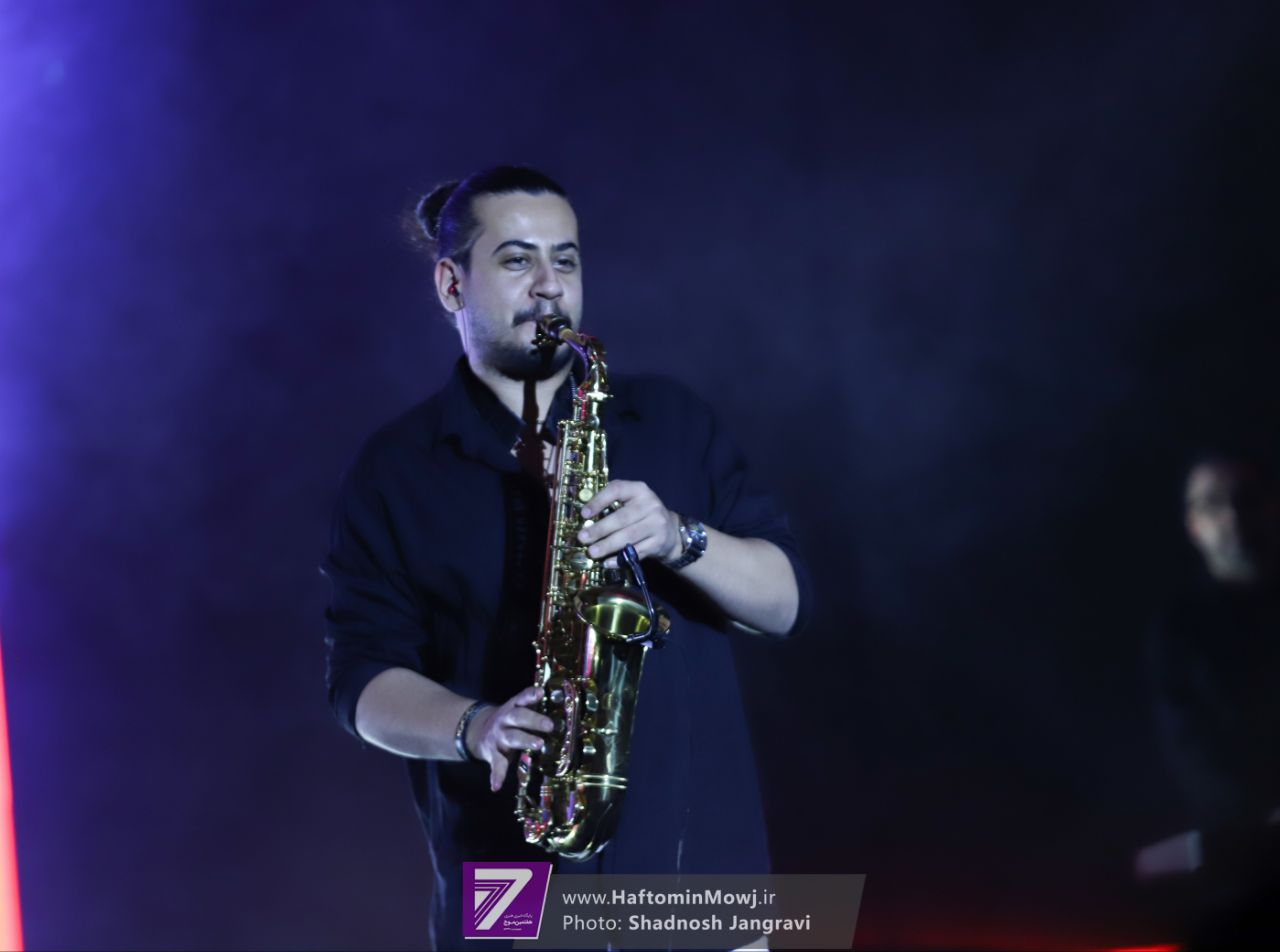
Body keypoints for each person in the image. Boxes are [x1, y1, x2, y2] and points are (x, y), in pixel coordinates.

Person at [321, 166, 810, 950]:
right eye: (517, 260)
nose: (550, 286)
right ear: (451, 284)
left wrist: (677, 536)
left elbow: (784, 603)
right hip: (511, 895)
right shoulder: (394, 471)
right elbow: (360, 683)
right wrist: (475, 726)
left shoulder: (672, 419)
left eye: (567, 259)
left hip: (703, 887)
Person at [1140, 448, 1280, 945]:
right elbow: (1188, 744)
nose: (1232, 516)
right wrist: (1257, 816)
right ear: (1193, 524)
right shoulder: (1178, 629)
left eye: (1245, 498)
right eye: (1213, 503)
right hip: (1241, 865)